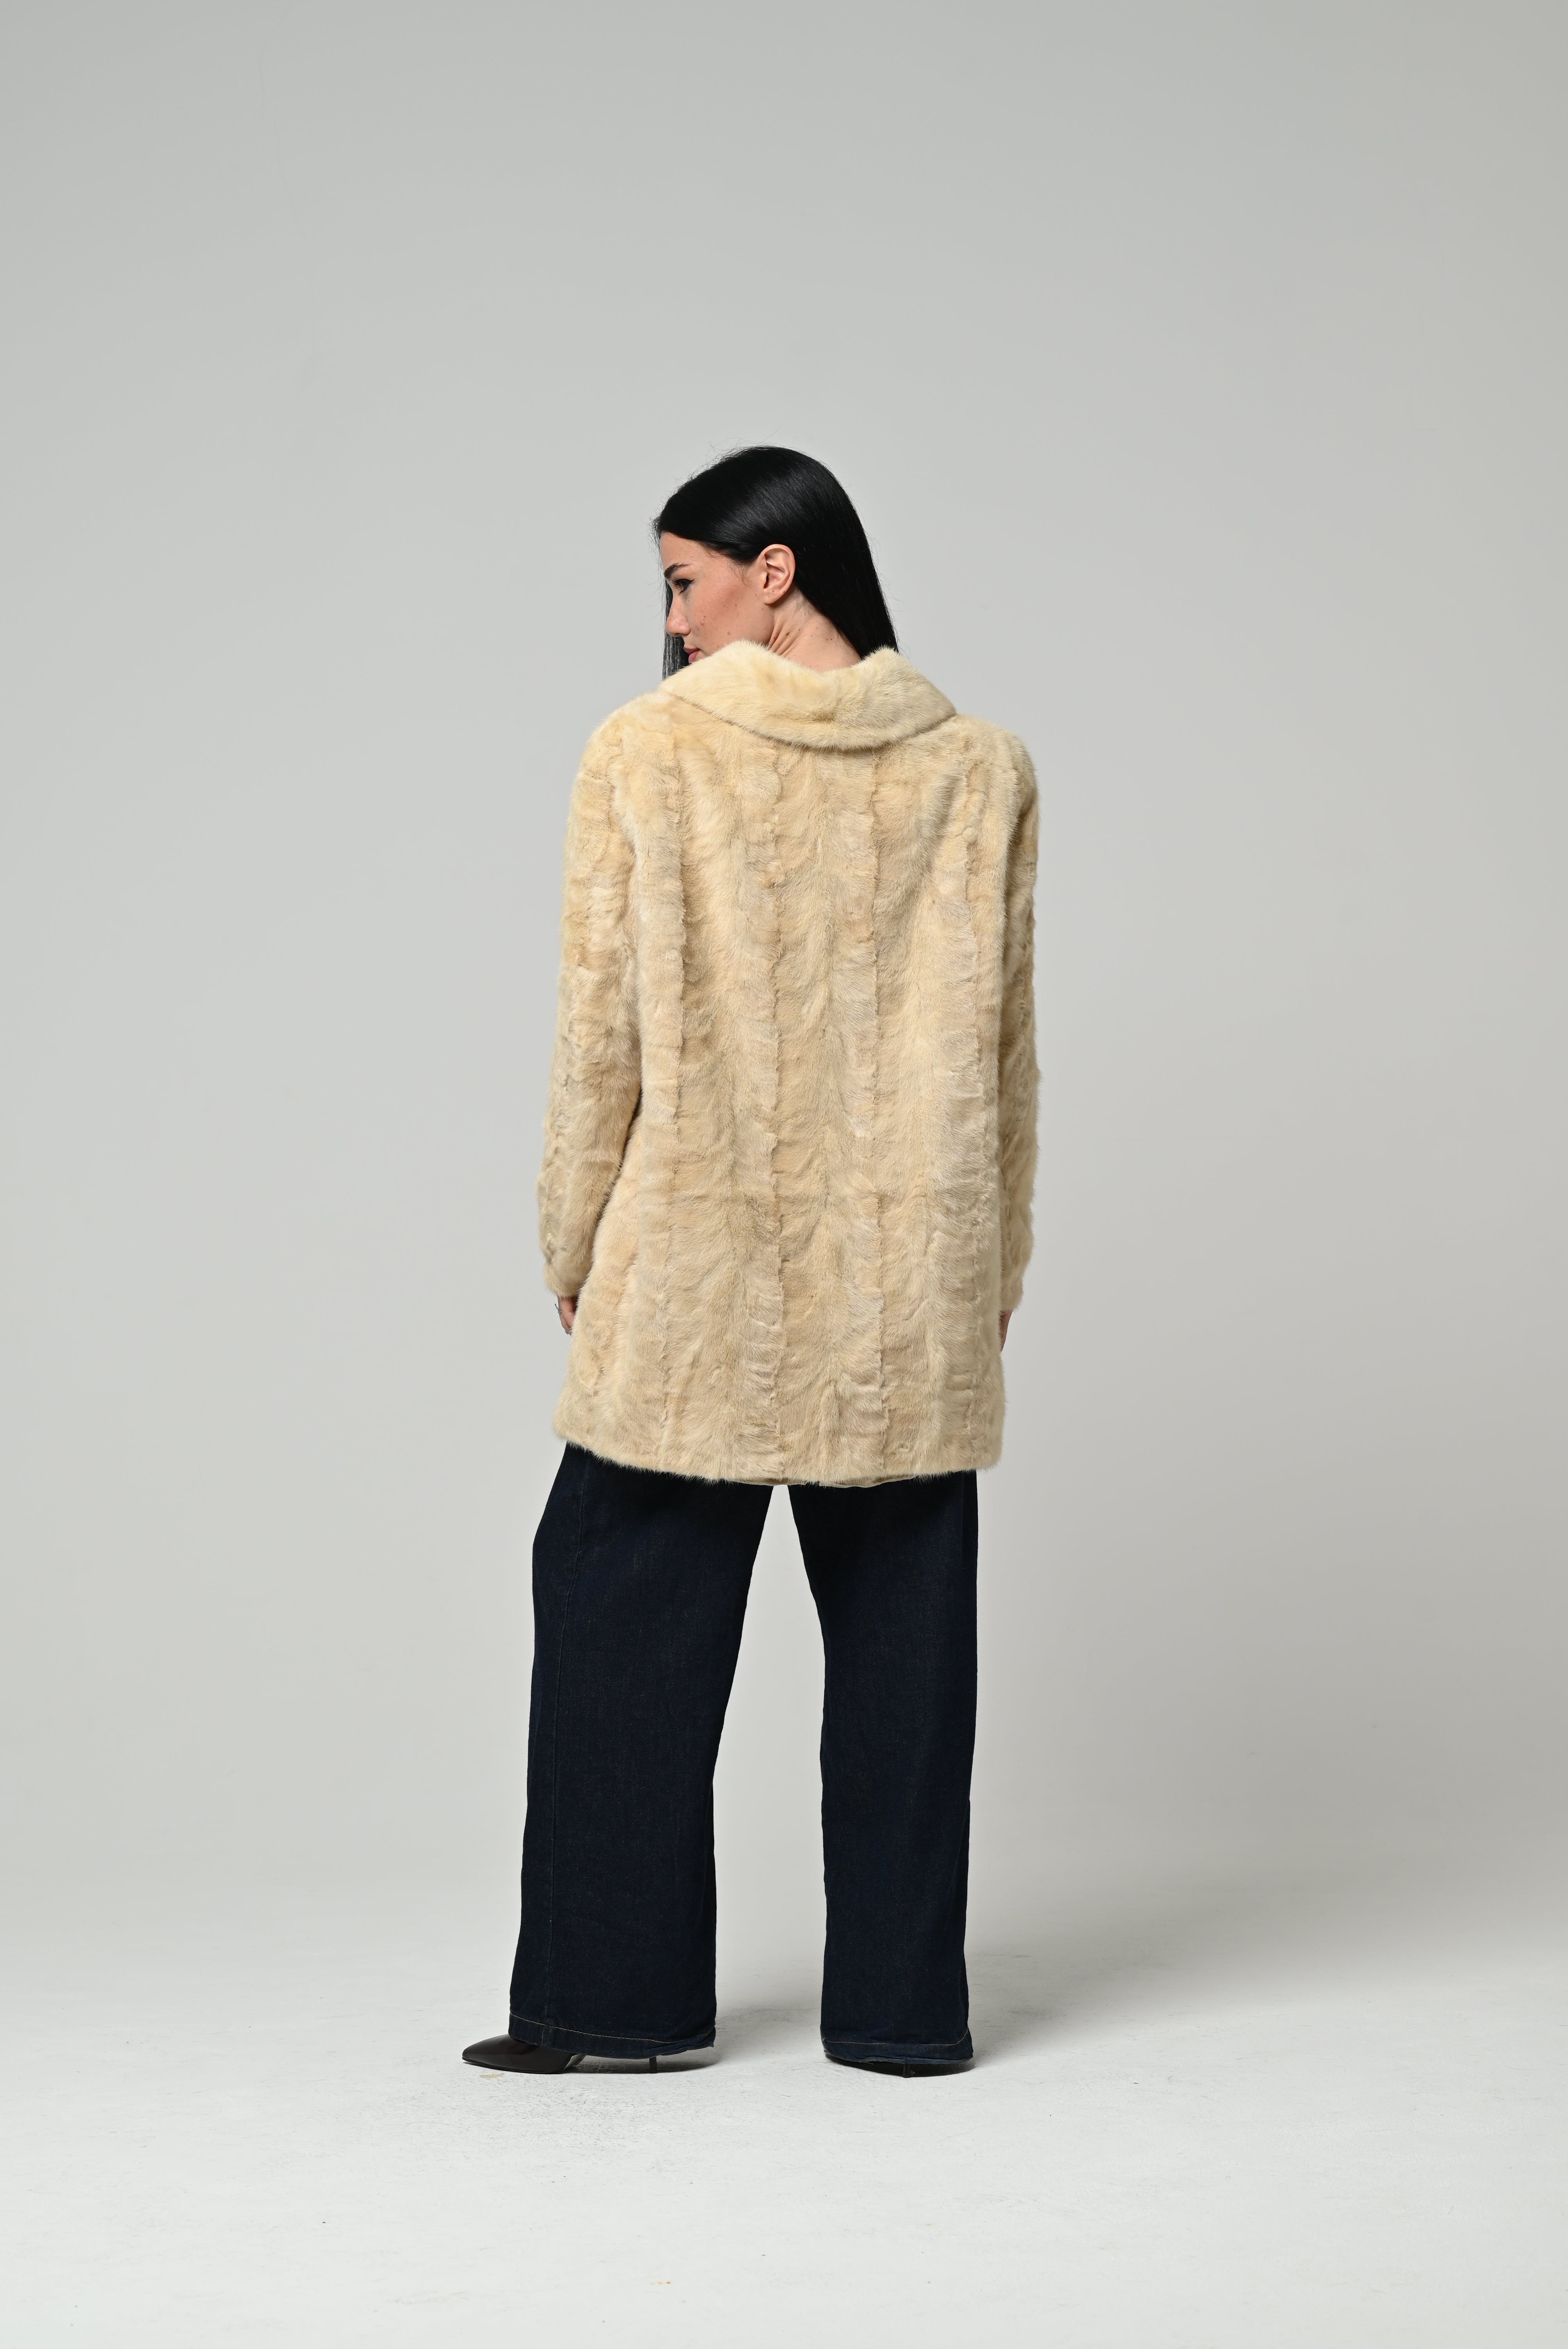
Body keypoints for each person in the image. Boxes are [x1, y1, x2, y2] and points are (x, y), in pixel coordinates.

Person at [463, 446, 1039, 2080]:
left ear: (773, 571)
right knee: (908, 1657)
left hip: (699, 1269)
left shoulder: (647, 751)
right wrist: (990, 1266)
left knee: (613, 1618)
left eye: (682, 581)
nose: (671, 621)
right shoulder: (979, 767)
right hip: (909, 1279)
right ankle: (902, 2017)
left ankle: (612, 2005)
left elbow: (601, 1030)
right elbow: (1006, 1053)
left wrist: (572, 1229)